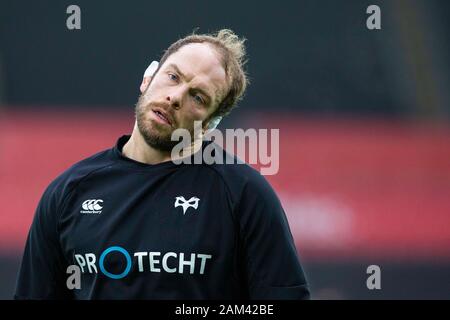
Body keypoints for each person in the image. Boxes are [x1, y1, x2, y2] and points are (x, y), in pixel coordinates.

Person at [14, 29, 310, 299]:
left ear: (209, 125)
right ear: (148, 78)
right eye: (173, 77)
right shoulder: (68, 192)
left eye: (198, 97)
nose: (175, 97)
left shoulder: (244, 194)